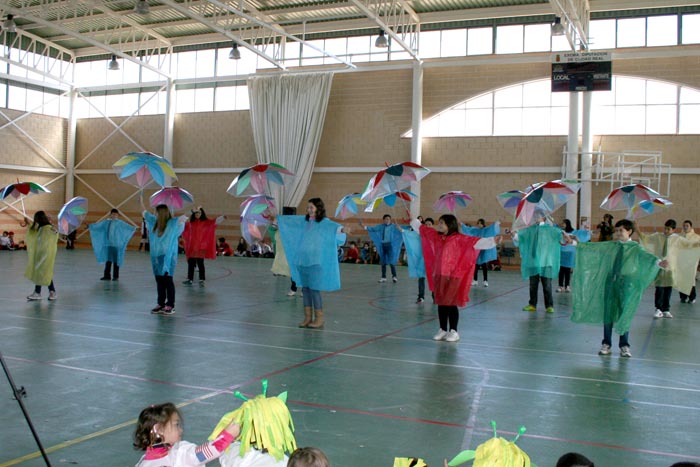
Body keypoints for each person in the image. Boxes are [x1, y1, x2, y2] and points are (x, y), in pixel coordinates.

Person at [572, 219, 664, 358]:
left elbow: (647, 257)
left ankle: (624, 345)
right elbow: (594, 248)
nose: (618, 233)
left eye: (621, 230)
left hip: (626, 284)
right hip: (610, 283)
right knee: (608, 313)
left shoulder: (635, 247)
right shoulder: (612, 246)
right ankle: (606, 343)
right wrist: (575, 243)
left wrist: (659, 262)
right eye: (617, 230)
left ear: (630, 231)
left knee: (624, 313)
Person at [413, 214, 498, 342]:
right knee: (441, 303)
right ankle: (442, 329)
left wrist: (492, 241)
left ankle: (454, 331)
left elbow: (475, 242)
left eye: (442, 223)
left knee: (451, 303)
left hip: (453, 276)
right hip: (440, 275)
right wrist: (414, 222)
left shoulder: (459, 238)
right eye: (439, 222)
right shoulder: (437, 237)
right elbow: (424, 230)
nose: (439, 225)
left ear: (449, 224)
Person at [278, 198, 346, 328]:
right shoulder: (304, 222)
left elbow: (335, 228)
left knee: (315, 290)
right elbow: (289, 222)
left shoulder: (324, 223)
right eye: (308, 207)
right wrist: (275, 219)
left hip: (315, 262)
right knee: (305, 289)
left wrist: (343, 229)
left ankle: (319, 319)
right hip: (303, 261)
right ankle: (307, 318)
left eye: (311, 207)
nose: (309, 210)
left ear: (318, 209)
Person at [133, 402, 240, 467]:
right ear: (159, 429)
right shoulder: (178, 453)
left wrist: (227, 437)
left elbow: (203, 453)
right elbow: (204, 453)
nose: (181, 430)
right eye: (176, 425)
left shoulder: (143, 462)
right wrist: (227, 435)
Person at [638, 219, 700, 319]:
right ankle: (658, 309)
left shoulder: (678, 239)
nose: (666, 231)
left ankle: (666, 309)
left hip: (671, 268)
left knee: (668, 289)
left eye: (668, 229)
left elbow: (689, 245)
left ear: (673, 230)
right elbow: (645, 238)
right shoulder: (658, 236)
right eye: (665, 228)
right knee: (659, 288)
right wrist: (637, 229)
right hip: (660, 266)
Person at [513, 212, 566, 313]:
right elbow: (520, 237)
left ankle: (549, 305)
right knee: (533, 285)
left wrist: (565, 236)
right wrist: (514, 235)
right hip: (533, 262)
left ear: (544, 218)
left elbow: (562, 237)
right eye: (534, 216)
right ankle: (532, 304)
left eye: (538, 216)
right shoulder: (530, 230)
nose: (535, 217)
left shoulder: (551, 230)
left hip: (546, 262)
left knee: (547, 285)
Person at [144, 204, 187, 315]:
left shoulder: (172, 224)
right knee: (159, 280)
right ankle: (161, 303)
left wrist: (193, 211)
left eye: (157, 212)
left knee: (167, 280)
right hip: (157, 256)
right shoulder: (154, 224)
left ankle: (170, 304)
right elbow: (144, 213)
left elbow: (183, 219)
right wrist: (141, 199)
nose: (155, 214)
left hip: (168, 256)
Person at [182, 207, 225, 286]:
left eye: (199, 213)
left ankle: (202, 279)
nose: (197, 214)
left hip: (201, 247)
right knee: (191, 263)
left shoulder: (206, 222)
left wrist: (222, 217)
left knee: (200, 263)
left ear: (202, 214)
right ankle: (190, 279)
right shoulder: (191, 223)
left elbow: (214, 222)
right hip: (192, 247)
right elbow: (182, 226)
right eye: (196, 213)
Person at [89, 208, 136, 281]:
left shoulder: (120, 223)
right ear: (110, 215)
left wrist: (134, 228)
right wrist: (90, 226)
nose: (114, 216)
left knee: (116, 261)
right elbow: (98, 226)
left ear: (117, 215)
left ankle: (115, 276)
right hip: (108, 245)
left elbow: (128, 227)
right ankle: (107, 276)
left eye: (115, 214)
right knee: (108, 261)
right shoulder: (106, 223)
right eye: (113, 214)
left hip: (116, 245)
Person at [25, 211, 59, 301]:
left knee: (44, 272)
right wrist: (28, 223)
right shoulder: (41, 228)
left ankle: (50, 292)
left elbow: (55, 234)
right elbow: (33, 231)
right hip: (39, 254)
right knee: (40, 272)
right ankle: (40, 292)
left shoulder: (48, 228)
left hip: (47, 255)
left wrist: (54, 228)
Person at [363, 214, 403, 283]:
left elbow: (402, 229)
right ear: (383, 220)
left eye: (388, 219)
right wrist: (365, 227)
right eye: (386, 219)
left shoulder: (393, 226)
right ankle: (383, 277)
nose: (387, 220)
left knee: (391, 261)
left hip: (389, 245)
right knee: (383, 262)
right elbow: (373, 229)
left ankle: (394, 276)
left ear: (390, 220)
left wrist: (410, 228)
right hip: (383, 245)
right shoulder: (380, 226)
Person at [462, 218, 500, 287]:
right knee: (475, 266)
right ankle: (475, 280)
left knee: (484, 266)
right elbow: (469, 230)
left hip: (484, 251)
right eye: (478, 223)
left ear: (483, 224)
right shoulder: (476, 230)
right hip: (477, 251)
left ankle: (485, 281)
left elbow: (491, 229)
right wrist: (462, 225)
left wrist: (496, 224)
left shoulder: (486, 230)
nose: (479, 225)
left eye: (480, 223)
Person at [403, 217, 432, 304]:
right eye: (426, 224)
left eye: (429, 224)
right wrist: (402, 230)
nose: (427, 226)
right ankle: (421, 296)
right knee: (421, 277)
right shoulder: (420, 234)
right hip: (422, 260)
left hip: (432, 260)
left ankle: (435, 296)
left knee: (433, 278)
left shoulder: (435, 234)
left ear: (432, 225)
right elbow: (410, 235)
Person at [557, 219, 591, 293]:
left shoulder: (574, 232)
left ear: (567, 224)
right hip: (561, 252)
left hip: (569, 253)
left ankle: (567, 286)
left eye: (564, 223)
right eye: (562, 223)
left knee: (567, 270)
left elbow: (583, 235)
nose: (562, 225)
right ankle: (560, 286)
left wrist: (589, 232)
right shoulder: (560, 232)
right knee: (561, 270)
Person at [679, 219, 699, 304]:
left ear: (691, 227)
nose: (685, 227)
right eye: (684, 226)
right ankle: (683, 297)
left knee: (690, 279)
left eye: (687, 226)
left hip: (691, 261)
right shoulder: (680, 237)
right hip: (681, 261)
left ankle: (692, 297)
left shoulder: (696, 237)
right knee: (682, 279)